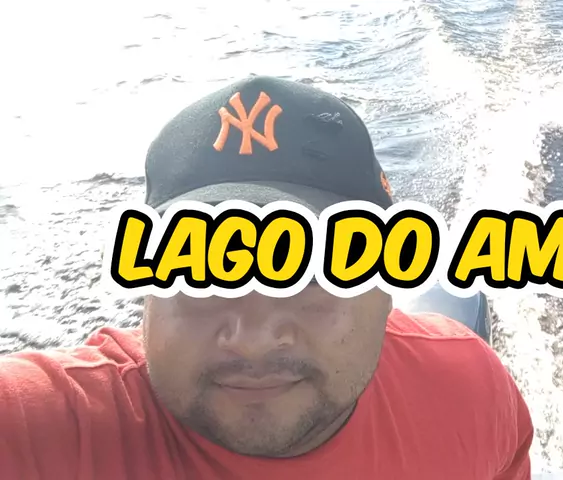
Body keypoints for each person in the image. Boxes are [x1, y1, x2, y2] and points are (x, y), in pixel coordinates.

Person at [0, 75, 534, 479]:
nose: (252, 336)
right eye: (199, 268)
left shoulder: (471, 394)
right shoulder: (42, 430)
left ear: (384, 288)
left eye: (312, 270)